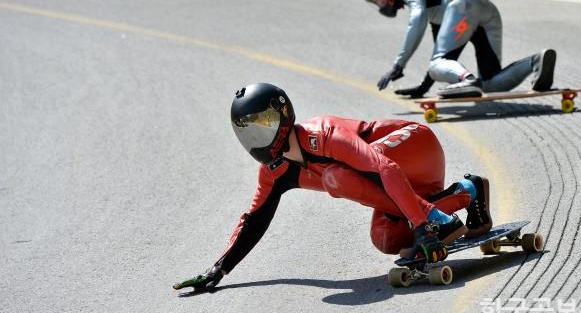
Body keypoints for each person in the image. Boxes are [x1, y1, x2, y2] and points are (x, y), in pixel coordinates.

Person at [175, 83, 492, 291]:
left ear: (284, 117)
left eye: (264, 126)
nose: (257, 140)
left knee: (336, 177)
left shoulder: (323, 135)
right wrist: (218, 270)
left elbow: (385, 168)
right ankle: (467, 191)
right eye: (249, 133)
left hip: (415, 144)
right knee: (385, 239)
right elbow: (253, 221)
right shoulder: (273, 172)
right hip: (400, 183)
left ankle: (439, 216)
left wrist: (422, 225)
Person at [361, 0, 557, 98]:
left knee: (437, 65)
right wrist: (424, 87)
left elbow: (417, 18)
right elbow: (445, 54)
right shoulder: (435, 11)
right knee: (491, 84)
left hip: (461, 6)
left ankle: (467, 80)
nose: (378, 1)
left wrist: (398, 65)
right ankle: (536, 61)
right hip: (482, 10)